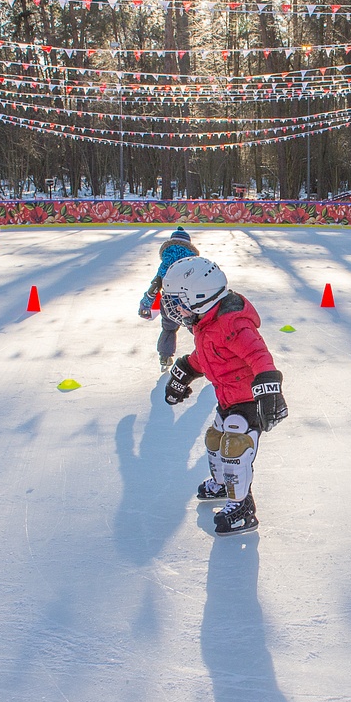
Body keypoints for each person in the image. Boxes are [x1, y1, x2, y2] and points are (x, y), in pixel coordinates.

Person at [160, 256, 288, 536]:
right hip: (227, 399)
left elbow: (259, 356)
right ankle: (222, 485)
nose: (176, 309)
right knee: (215, 442)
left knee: (235, 449)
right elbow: (206, 357)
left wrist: (269, 390)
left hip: (246, 402)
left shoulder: (234, 324)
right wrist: (183, 373)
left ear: (199, 297)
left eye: (179, 302)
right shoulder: (206, 324)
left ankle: (242, 507)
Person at [138, 228, 199, 371]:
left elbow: (155, 286)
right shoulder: (192, 263)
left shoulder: (165, 263)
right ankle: (209, 353)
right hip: (188, 303)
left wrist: (145, 304)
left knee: (168, 329)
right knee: (198, 329)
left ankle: (164, 357)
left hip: (168, 303)